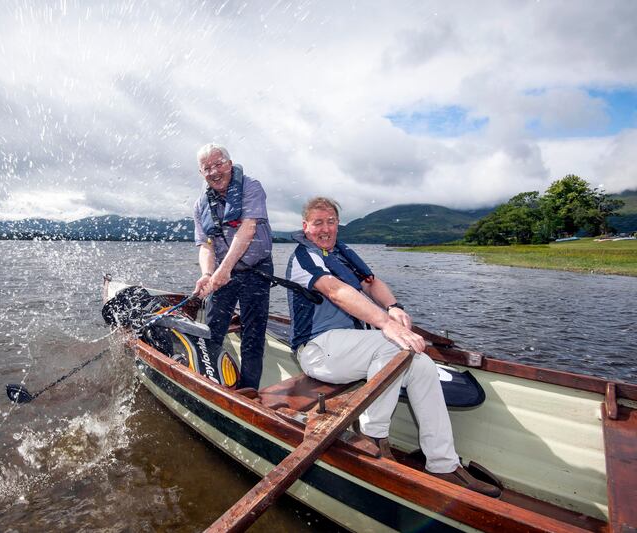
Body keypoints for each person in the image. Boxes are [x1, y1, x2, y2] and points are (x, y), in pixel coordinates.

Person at [285, 196, 500, 497]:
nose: (325, 228)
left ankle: (443, 463)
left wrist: (393, 306)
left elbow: (372, 283)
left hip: (351, 349)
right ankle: (372, 435)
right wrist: (387, 323)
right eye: (318, 222)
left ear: (338, 225)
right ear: (305, 226)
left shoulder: (343, 253)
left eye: (331, 221)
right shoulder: (303, 258)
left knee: (421, 363)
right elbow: (335, 291)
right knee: (392, 346)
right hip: (318, 349)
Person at [192, 143, 273, 390]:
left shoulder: (251, 187)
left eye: (219, 164)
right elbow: (206, 245)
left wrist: (223, 270)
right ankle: (214, 385)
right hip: (222, 274)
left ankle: (248, 393)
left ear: (229, 163)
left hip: (256, 270)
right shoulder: (200, 205)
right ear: (201, 173)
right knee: (213, 330)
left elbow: (247, 230)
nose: (214, 172)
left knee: (253, 335)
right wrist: (208, 274)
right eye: (207, 168)